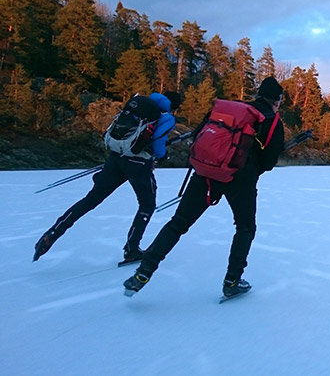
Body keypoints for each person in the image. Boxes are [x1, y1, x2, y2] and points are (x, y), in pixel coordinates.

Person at [123, 77, 285, 299]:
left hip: (205, 173)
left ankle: (143, 273)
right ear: (276, 100)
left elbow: (201, 134)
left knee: (178, 224)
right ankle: (232, 281)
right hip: (240, 179)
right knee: (245, 227)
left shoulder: (229, 109)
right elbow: (268, 162)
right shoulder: (272, 120)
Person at [33, 91, 183, 263]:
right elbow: (158, 143)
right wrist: (162, 156)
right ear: (173, 106)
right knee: (147, 204)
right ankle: (131, 249)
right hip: (138, 164)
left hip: (116, 157)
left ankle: (53, 232)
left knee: (91, 199)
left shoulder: (140, 104)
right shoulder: (166, 117)